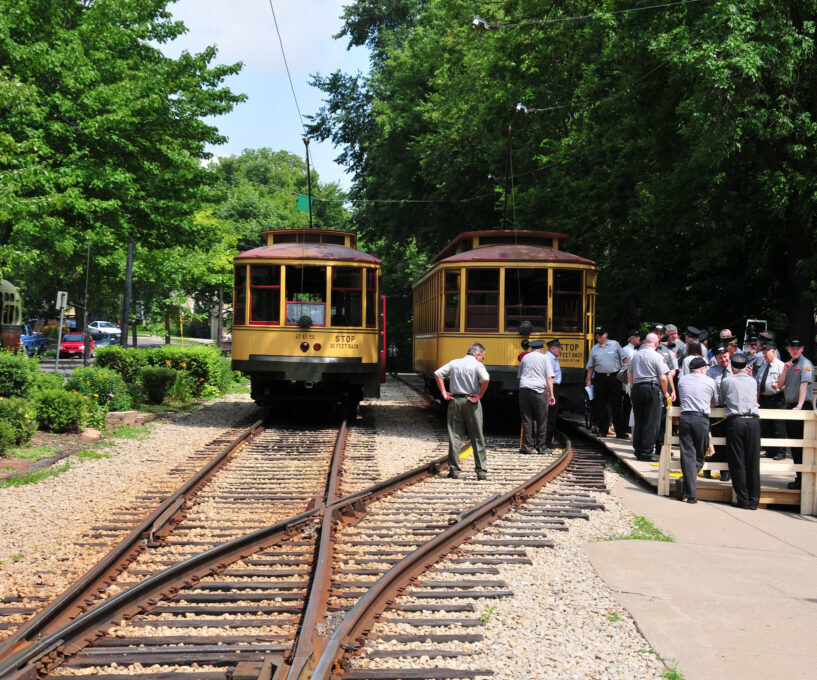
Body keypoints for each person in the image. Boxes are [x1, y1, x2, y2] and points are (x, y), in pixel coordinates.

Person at [434, 343, 490, 480]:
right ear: (477, 355)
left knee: (455, 436)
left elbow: (438, 374)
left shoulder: (454, 363)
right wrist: (480, 395)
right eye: (482, 357)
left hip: (454, 401)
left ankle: (454, 471)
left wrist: (444, 393)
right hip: (471, 402)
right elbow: (486, 379)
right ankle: (481, 471)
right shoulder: (477, 365)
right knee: (476, 435)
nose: (482, 359)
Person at [721, 353, 761, 509]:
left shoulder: (727, 381)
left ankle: (743, 499)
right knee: (753, 461)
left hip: (736, 420)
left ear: (732, 366)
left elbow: (723, 399)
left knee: (737, 460)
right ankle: (754, 499)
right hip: (753, 421)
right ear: (746, 366)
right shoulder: (753, 381)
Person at [676, 357, 717, 503]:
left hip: (686, 418)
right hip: (701, 419)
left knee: (688, 454)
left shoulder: (682, 380)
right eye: (705, 368)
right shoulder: (710, 381)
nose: (706, 370)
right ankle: (690, 489)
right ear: (701, 369)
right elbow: (715, 401)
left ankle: (689, 488)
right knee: (700, 455)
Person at [778, 338, 814, 489]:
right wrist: (785, 370)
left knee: (801, 445)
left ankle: (803, 480)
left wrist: (799, 406)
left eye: (798, 347)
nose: (795, 350)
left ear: (802, 348)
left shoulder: (805, 364)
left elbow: (804, 385)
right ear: (788, 349)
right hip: (791, 406)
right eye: (792, 347)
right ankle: (799, 477)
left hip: (802, 406)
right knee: (794, 445)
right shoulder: (789, 365)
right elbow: (779, 385)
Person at [628, 332, 670, 461]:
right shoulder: (657, 356)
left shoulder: (635, 356)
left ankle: (638, 449)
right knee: (651, 422)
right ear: (656, 344)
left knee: (639, 420)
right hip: (651, 388)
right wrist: (665, 392)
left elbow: (629, 374)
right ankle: (646, 452)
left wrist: (633, 387)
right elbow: (663, 377)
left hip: (637, 388)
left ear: (645, 342)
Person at [585, 325, 628, 438]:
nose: (598, 336)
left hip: (615, 377)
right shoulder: (594, 348)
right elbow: (590, 366)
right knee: (601, 405)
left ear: (606, 334)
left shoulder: (615, 344)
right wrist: (588, 380)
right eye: (596, 334)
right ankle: (603, 430)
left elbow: (625, 359)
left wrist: (624, 374)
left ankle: (620, 431)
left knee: (617, 404)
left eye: (600, 334)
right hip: (600, 378)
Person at [517, 340, 556, 455]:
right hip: (539, 391)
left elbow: (520, 375)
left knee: (527, 419)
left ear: (531, 348)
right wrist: (551, 395)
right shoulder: (544, 359)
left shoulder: (525, 358)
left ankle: (526, 447)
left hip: (524, 390)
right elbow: (549, 378)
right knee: (542, 419)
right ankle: (540, 447)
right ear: (541, 349)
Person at [704, 344, 732, 482]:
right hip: (717, 409)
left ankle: (724, 469)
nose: (724, 360)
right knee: (718, 440)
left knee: (729, 440)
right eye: (720, 358)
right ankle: (718, 467)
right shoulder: (711, 372)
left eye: (725, 357)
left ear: (729, 355)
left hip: (731, 410)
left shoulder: (737, 369)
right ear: (716, 358)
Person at [755, 341, 787, 461]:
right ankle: (770, 450)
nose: (764, 356)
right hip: (764, 399)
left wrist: (779, 386)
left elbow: (786, 385)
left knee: (779, 425)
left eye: (765, 353)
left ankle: (781, 451)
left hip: (777, 398)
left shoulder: (781, 366)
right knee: (766, 426)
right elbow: (758, 385)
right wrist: (757, 400)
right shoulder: (763, 367)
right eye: (762, 353)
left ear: (773, 352)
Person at [544, 339, 563, 449]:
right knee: (550, 414)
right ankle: (547, 441)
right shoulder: (549, 359)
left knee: (552, 414)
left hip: (554, 387)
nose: (560, 349)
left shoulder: (554, 359)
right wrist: (550, 393)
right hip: (550, 387)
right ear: (552, 348)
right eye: (558, 347)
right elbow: (548, 377)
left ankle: (547, 439)